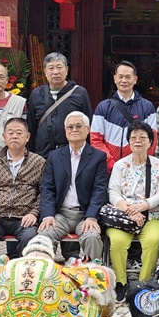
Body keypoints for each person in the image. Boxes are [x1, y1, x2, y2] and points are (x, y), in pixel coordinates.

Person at [106, 121, 159, 301]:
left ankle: (144, 283)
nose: (137, 141)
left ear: (150, 142)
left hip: (152, 214)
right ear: (128, 142)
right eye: (133, 138)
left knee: (153, 241)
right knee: (117, 241)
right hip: (124, 215)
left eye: (142, 138)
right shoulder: (120, 165)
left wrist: (144, 205)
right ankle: (121, 282)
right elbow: (113, 192)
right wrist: (129, 210)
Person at [0, 118, 45, 260]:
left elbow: (44, 192)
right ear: (4, 137)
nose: (14, 136)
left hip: (24, 218)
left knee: (30, 238)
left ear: (27, 137)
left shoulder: (38, 162)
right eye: (10, 133)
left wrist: (34, 213)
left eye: (19, 133)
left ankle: (25, 273)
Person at [38, 111, 108, 260]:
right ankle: (46, 272)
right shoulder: (55, 156)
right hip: (60, 214)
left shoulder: (98, 157)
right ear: (65, 131)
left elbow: (99, 190)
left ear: (87, 129)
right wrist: (48, 215)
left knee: (92, 237)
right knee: (44, 235)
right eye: (70, 127)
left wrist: (91, 216)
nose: (74, 130)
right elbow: (47, 188)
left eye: (78, 126)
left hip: (85, 214)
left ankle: (92, 272)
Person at [90, 61, 158, 172]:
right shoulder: (103, 107)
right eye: (120, 77)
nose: (124, 80)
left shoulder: (147, 107)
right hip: (108, 170)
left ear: (135, 79)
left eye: (128, 77)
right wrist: (111, 165)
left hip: (137, 170)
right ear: (115, 78)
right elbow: (96, 140)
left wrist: (139, 163)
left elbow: (152, 140)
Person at [27, 52, 93, 158]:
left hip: (71, 155)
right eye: (51, 68)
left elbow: (89, 124)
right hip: (43, 154)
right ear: (45, 71)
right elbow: (31, 127)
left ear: (66, 69)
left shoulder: (80, 93)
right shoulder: (36, 94)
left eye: (59, 67)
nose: (55, 72)